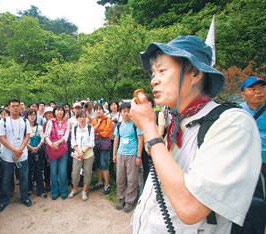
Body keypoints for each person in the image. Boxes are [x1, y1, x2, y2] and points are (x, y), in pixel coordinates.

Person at [130, 36, 261, 233]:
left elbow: (191, 208)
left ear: (195, 73)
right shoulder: (176, 122)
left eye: (162, 71)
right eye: (153, 73)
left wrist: (149, 129)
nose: (153, 80)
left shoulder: (232, 123)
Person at [238, 76, 266, 234]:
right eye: (253, 89)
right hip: (249, 164)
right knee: (254, 203)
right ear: (243, 93)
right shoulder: (237, 112)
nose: (259, 92)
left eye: (262, 87)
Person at [0, 99, 32, 212]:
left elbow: (27, 136)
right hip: (7, 156)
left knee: (23, 178)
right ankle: (5, 200)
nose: (15, 108)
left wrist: (19, 150)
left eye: (17, 106)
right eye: (13, 106)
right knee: (6, 179)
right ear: (8, 108)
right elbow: (2, 138)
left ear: (20, 108)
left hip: (22, 155)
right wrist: (14, 150)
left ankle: (25, 198)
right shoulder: (3, 122)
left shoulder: (25, 121)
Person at [113, 102, 143, 213]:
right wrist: (114, 154)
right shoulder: (119, 125)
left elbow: (141, 140)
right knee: (120, 178)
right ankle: (120, 198)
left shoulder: (136, 124)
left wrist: (138, 156)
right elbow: (116, 140)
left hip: (132, 155)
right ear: (120, 113)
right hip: (121, 154)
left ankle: (129, 201)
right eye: (123, 111)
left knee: (132, 179)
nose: (126, 113)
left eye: (128, 111)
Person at [68, 110, 95, 201]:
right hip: (77, 154)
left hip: (88, 154)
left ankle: (84, 190)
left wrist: (82, 152)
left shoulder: (91, 128)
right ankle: (74, 189)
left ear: (86, 118)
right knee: (75, 172)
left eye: (84, 117)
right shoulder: (75, 128)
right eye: (80, 117)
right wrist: (78, 151)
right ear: (77, 118)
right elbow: (73, 142)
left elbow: (91, 142)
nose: (82, 119)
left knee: (87, 172)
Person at [44, 104, 69, 200]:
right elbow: (46, 135)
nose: (59, 112)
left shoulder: (66, 123)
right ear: (54, 112)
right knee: (53, 171)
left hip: (62, 150)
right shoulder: (50, 122)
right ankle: (54, 190)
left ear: (64, 112)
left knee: (62, 171)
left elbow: (65, 137)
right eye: (57, 110)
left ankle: (63, 190)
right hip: (52, 151)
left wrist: (56, 144)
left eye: (61, 110)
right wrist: (51, 145)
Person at [91, 103, 113, 195]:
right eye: (96, 109)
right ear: (94, 111)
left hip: (104, 144)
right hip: (96, 144)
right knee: (97, 163)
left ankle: (107, 184)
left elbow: (107, 133)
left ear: (103, 110)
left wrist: (98, 133)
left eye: (100, 109)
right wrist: (98, 131)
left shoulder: (108, 120)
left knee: (104, 163)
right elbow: (91, 131)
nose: (98, 111)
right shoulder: (94, 121)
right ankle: (100, 181)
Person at [25, 109, 47, 198]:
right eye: (30, 115)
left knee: (38, 171)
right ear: (27, 116)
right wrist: (30, 147)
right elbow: (24, 140)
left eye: (34, 115)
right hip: (27, 151)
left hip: (38, 151)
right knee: (29, 170)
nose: (32, 117)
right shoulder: (24, 127)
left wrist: (37, 147)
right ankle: (29, 189)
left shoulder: (40, 127)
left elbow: (43, 138)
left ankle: (41, 190)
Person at [107, 100, 122, 180]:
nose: (113, 106)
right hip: (110, 138)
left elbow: (122, 125)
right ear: (109, 107)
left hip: (119, 138)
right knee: (111, 156)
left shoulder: (120, 115)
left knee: (118, 155)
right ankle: (111, 174)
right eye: (112, 105)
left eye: (115, 105)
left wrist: (116, 122)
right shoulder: (108, 115)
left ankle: (119, 173)